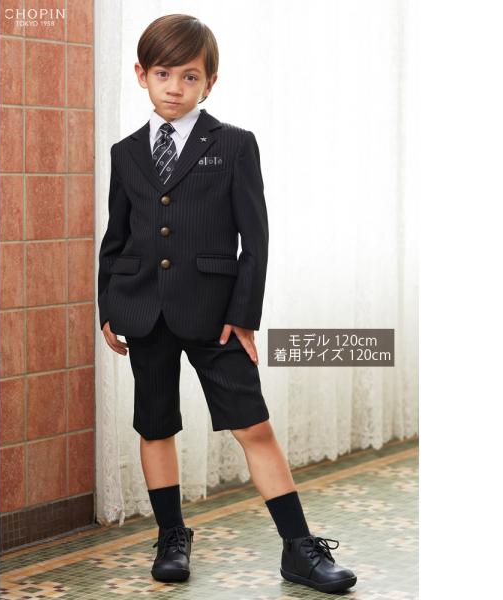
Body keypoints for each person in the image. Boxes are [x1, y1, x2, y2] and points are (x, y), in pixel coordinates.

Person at [97, 13, 357, 594]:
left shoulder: (234, 144)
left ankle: (299, 548)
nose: (174, 87)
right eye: (162, 73)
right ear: (141, 74)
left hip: (216, 317)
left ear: (209, 82)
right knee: (155, 425)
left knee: (253, 425)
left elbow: (255, 239)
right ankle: (171, 536)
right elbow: (117, 236)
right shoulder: (125, 152)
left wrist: (243, 315)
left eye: (189, 76)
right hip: (143, 310)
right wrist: (107, 304)